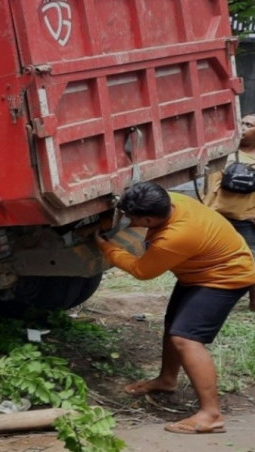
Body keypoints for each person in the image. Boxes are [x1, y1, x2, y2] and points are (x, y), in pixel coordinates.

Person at [95, 181, 255, 434]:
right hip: (200, 273)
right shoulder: (168, 200)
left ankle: (211, 414)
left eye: (128, 216)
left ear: (147, 220)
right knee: (174, 326)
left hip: (224, 278)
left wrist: (106, 247)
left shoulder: (177, 235)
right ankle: (167, 380)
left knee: (185, 338)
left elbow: (142, 271)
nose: (125, 219)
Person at [204, 113, 255, 307]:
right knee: (213, 261)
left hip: (247, 219)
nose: (242, 128)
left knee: (251, 261)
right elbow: (210, 187)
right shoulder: (224, 153)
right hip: (218, 216)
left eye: (248, 125)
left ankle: (253, 303)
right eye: (240, 123)